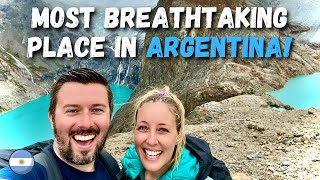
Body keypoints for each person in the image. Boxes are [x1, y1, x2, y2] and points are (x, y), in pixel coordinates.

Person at [0, 68, 120, 180]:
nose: (86, 124)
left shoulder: (110, 165)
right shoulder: (34, 170)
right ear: (52, 119)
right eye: (72, 110)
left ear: (109, 116)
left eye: (97, 110)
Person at [121, 86, 232, 180]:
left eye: (162, 130)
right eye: (143, 127)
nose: (151, 140)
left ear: (179, 135)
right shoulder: (129, 167)